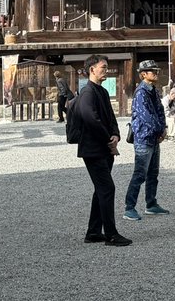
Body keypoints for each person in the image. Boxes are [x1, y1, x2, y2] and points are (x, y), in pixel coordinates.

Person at [68, 54, 130, 246]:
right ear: (92, 70)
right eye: (103, 67)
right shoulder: (87, 92)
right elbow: (90, 118)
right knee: (107, 188)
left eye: (106, 67)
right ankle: (110, 234)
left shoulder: (101, 92)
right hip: (93, 149)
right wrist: (107, 138)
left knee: (101, 189)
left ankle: (94, 232)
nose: (106, 70)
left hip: (104, 147)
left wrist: (116, 134)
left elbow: (110, 117)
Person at [124, 60, 170, 221]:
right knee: (140, 174)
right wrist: (160, 129)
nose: (155, 73)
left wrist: (163, 128)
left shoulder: (153, 90)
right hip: (144, 136)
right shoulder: (141, 92)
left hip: (154, 136)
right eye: (152, 71)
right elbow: (146, 116)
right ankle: (129, 207)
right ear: (143, 74)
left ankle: (151, 204)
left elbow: (160, 110)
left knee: (153, 173)